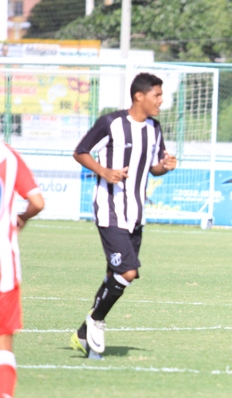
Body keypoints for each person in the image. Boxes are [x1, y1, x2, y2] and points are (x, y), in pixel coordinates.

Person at [70, 72, 177, 359]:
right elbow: (80, 152)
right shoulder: (111, 123)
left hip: (136, 214)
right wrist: (104, 171)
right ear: (139, 95)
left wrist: (165, 166)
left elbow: (153, 166)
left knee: (114, 276)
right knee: (128, 272)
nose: (161, 100)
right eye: (157, 95)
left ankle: (83, 333)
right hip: (110, 210)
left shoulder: (155, 128)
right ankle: (96, 321)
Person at [0, 143, 44, 398]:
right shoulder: (9, 156)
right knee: (4, 342)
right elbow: (38, 202)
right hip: (4, 266)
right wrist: (22, 218)